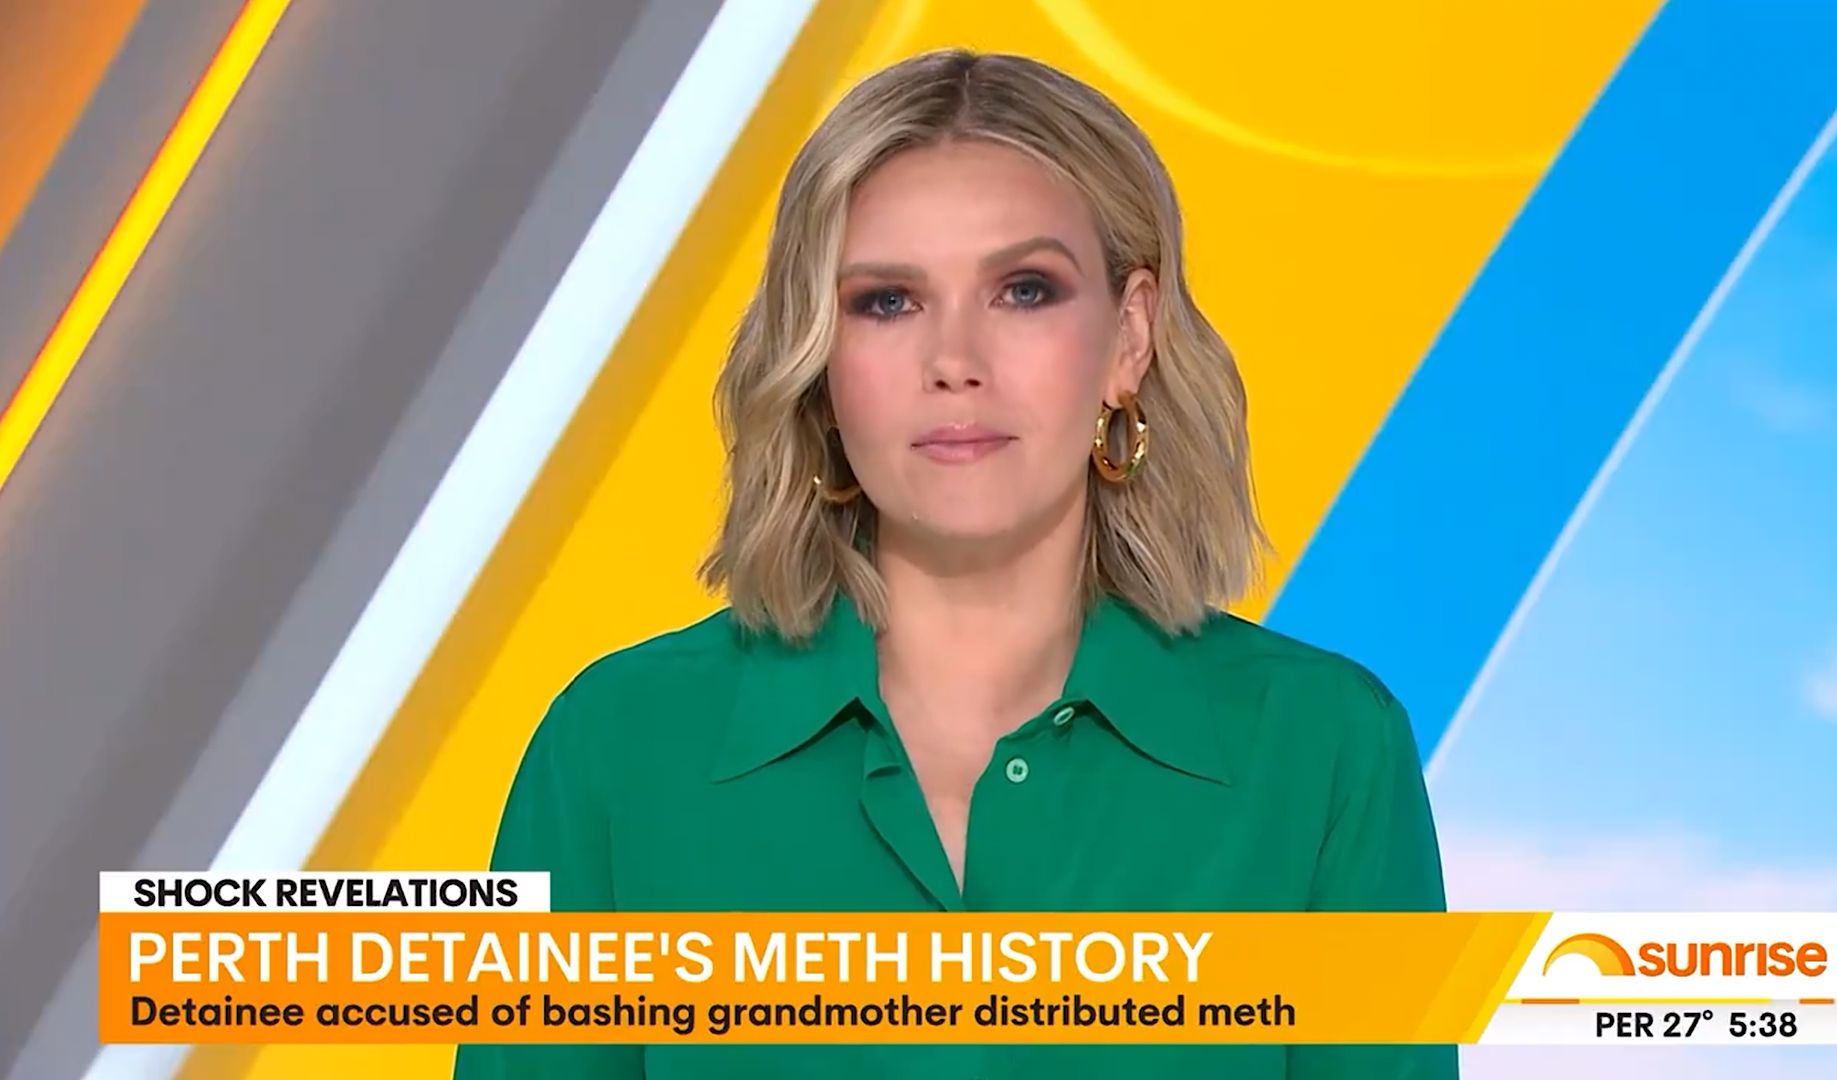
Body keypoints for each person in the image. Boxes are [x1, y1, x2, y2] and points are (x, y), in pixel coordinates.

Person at [454, 47, 1450, 1079]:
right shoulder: (616, 750)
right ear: (818, 359)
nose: (955, 362)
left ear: (1129, 339)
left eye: (1025, 290)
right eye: (888, 301)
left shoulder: (1325, 752)